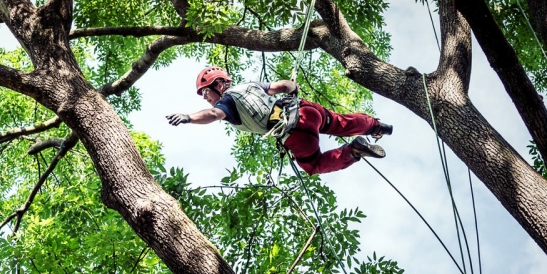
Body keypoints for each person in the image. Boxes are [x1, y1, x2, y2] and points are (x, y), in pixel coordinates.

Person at [166, 66, 392, 175]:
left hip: (295, 132)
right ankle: (376, 125)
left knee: (312, 165)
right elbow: (284, 86)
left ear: (218, 85)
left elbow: (214, 115)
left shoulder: (226, 103)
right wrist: (293, 88)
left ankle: (353, 151)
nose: (207, 100)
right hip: (306, 110)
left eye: (207, 93)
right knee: (341, 122)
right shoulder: (252, 85)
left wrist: (189, 117)